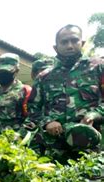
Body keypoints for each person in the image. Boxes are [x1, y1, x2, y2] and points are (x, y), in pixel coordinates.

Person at [28, 25, 103, 163]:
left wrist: (94, 114)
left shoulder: (98, 67)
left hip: (92, 149)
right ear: (55, 47)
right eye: (64, 42)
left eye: (74, 40)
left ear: (82, 43)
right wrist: (47, 122)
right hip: (55, 151)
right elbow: (33, 111)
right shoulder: (44, 77)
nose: (70, 46)